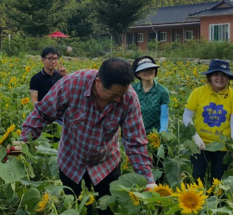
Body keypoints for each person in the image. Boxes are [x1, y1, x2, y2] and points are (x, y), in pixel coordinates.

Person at [21, 58, 156, 215]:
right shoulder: (72, 84)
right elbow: (42, 112)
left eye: (121, 94)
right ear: (98, 83)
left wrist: (148, 179)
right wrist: (23, 142)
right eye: (114, 94)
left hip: (106, 164)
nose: (118, 99)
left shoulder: (128, 98)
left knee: (108, 209)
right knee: (74, 209)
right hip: (72, 161)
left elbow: (135, 142)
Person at [183, 59, 233, 184]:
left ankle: (216, 203)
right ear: (209, 77)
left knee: (219, 180)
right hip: (200, 145)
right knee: (196, 176)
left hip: (222, 146)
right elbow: (187, 117)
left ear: (228, 78)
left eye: (223, 75)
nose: (219, 78)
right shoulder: (198, 93)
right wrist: (195, 136)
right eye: (216, 74)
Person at [29, 47, 67, 141]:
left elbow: (68, 94)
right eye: (50, 58)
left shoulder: (60, 75)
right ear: (43, 60)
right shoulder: (36, 79)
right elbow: (34, 100)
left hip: (60, 116)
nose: (53, 61)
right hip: (45, 116)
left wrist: (65, 77)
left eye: (55, 58)